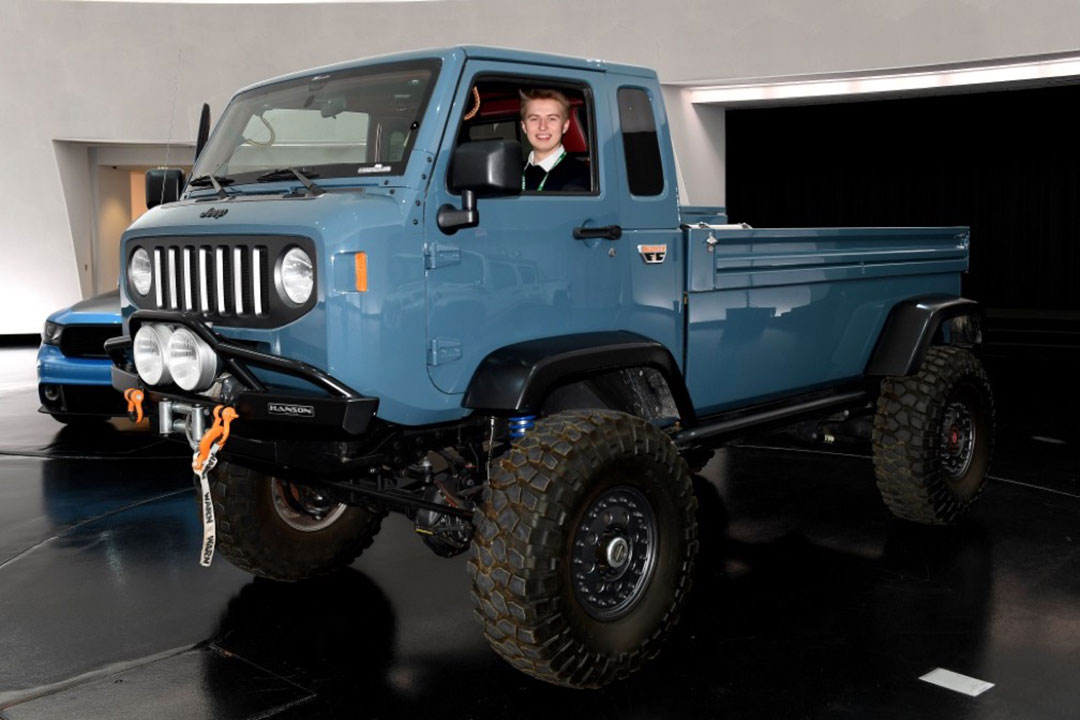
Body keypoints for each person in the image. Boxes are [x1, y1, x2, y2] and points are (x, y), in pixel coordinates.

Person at [519, 89, 590, 192]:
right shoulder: (509, 174)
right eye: (534, 119)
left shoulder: (582, 176)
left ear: (565, 126)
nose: (542, 127)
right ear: (524, 126)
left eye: (552, 118)